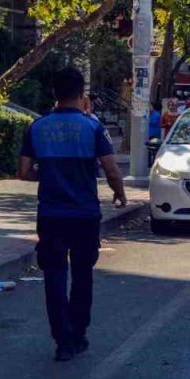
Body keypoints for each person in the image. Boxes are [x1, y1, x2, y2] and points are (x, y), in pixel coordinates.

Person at [19, 66, 127, 362]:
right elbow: (111, 168)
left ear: (54, 93)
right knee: (82, 275)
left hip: (51, 215)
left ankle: (62, 341)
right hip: (84, 215)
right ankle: (78, 333)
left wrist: (51, 174)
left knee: (54, 275)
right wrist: (119, 193)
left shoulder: (37, 127)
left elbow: (24, 172)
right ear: (82, 96)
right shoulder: (93, 127)